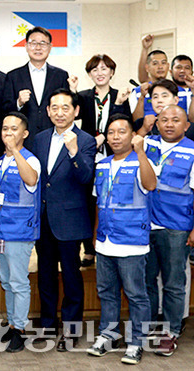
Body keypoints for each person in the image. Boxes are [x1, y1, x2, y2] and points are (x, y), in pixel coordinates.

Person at [87, 114, 155, 365]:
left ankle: (137, 341)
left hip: (131, 240)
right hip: (105, 240)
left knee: (136, 294)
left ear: (132, 135)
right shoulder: (102, 164)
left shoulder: (142, 162)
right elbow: (99, 202)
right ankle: (109, 334)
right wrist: (95, 234)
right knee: (107, 291)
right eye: (111, 132)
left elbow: (150, 185)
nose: (116, 137)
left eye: (122, 132)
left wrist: (141, 153)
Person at [32, 88, 96, 351]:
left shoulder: (87, 140)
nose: (59, 112)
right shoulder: (39, 139)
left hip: (70, 221)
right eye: (54, 107)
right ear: (48, 111)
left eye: (65, 107)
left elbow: (86, 178)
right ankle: (47, 325)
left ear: (76, 111)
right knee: (45, 275)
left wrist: (73, 152)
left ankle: (71, 331)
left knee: (71, 277)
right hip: (43, 219)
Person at [143, 105, 194, 356]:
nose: (169, 124)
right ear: (157, 123)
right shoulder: (146, 145)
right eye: (164, 119)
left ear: (186, 125)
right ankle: (151, 326)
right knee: (147, 280)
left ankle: (171, 331)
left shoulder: (192, 151)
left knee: (174, 283)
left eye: (176, 120)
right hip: (144, 225)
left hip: (176, 226)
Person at [75, 54, 132, 268]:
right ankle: (89, 249)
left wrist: (118, 105)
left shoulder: (121, 96)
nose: (99, 73)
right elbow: (72, 115)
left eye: (104, 69)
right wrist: (72, 91)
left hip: (113, 155)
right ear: (89, 74)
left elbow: (125, 123)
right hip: (90, 157)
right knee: (89, 203)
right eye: (94, 70)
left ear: (112, 72)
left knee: (112, 200)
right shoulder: (83, 96)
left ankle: (113, 241)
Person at [0, 111, 41, 353]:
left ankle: (20, 329)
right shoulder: (0, 161)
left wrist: (16, 152)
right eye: (4, 129)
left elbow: (31, 180)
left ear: (24, 133)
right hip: (0, 231)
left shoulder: (30, 159)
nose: (8, 133)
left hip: (20, 231)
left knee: (19, 282)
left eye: (13, 129)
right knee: (6, 281)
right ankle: (12, 324)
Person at [4, 27, 70, 148]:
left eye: (43, 44)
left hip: (54, 139)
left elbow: (68, 109)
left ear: (50, 47)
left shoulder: (61, 76)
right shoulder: (13, 76)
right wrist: (18, 103)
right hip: (23, 140)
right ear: (26, 46)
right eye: (33, 43)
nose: (38, 48)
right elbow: (5, 109)